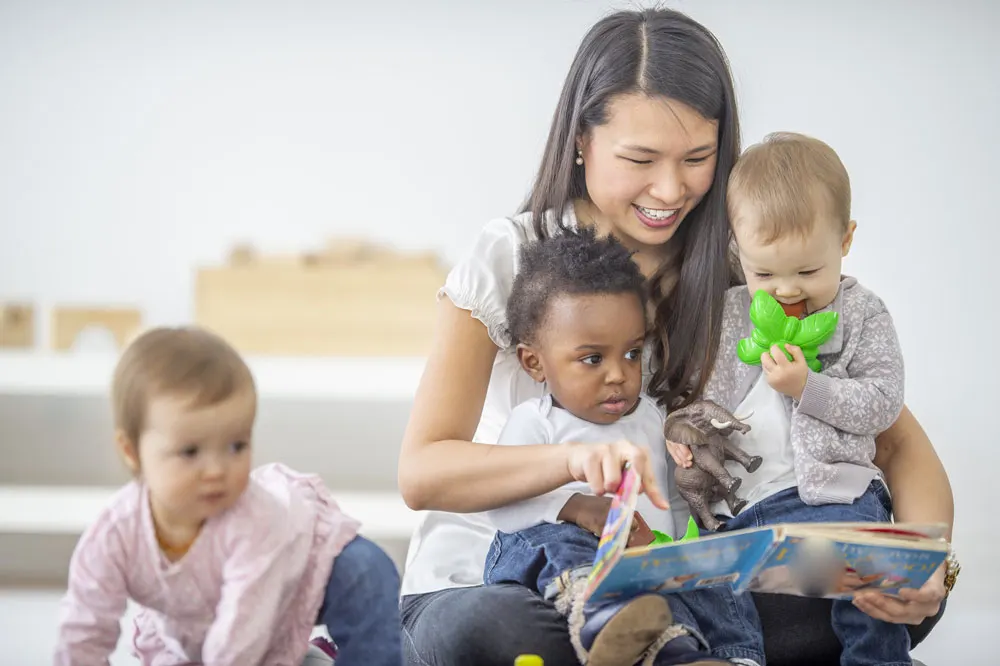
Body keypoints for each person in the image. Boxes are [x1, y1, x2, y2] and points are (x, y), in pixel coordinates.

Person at [397, 7, 955, 666]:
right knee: (504, 632)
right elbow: (423, 471)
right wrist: (573, 468)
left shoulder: (744, 277)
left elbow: (890, 433)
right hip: (497, 575)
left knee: (869, 606)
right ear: (582, 140)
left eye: (697, 158)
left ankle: (671, 645)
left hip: (676, 580)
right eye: (641, 158)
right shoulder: (514, 255)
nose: (671, 188)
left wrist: (932, 565)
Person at [680, 130, 923, 664]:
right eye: (764, 272)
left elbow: (881, 403)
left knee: (865, 567)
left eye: (808, 271)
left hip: (834, 494)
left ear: (845, 240)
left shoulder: (863, 315)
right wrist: (686, 437)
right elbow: (705, 402)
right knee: (708, 580)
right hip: (747, 511)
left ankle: (877, 659)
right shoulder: (731, 315)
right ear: (737, 252)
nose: (787, 290)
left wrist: (807, 388)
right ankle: (736, 656)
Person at [54, 327, 403, 666]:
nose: (217, 470)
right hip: (206, 624)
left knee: (367, 572)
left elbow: (241, 632)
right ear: (131, 451)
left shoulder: (252, 517)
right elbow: (84, 629)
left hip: (296, 569)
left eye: (236, 446)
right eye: (190, 452)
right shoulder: (115, 534)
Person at [479, 227, 702, 665]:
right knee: (553, 538)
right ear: (534, 362)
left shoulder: (651, 418)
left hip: (639, 567)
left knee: (707, 581)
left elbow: (672, 499)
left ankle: (689, 649)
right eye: (593, 359)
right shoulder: (536, 423)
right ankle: (599, 613)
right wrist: (576, 509)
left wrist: (668, 548)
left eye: (633, 354)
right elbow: (500, 509)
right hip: (555, 577)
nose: (618, 374)